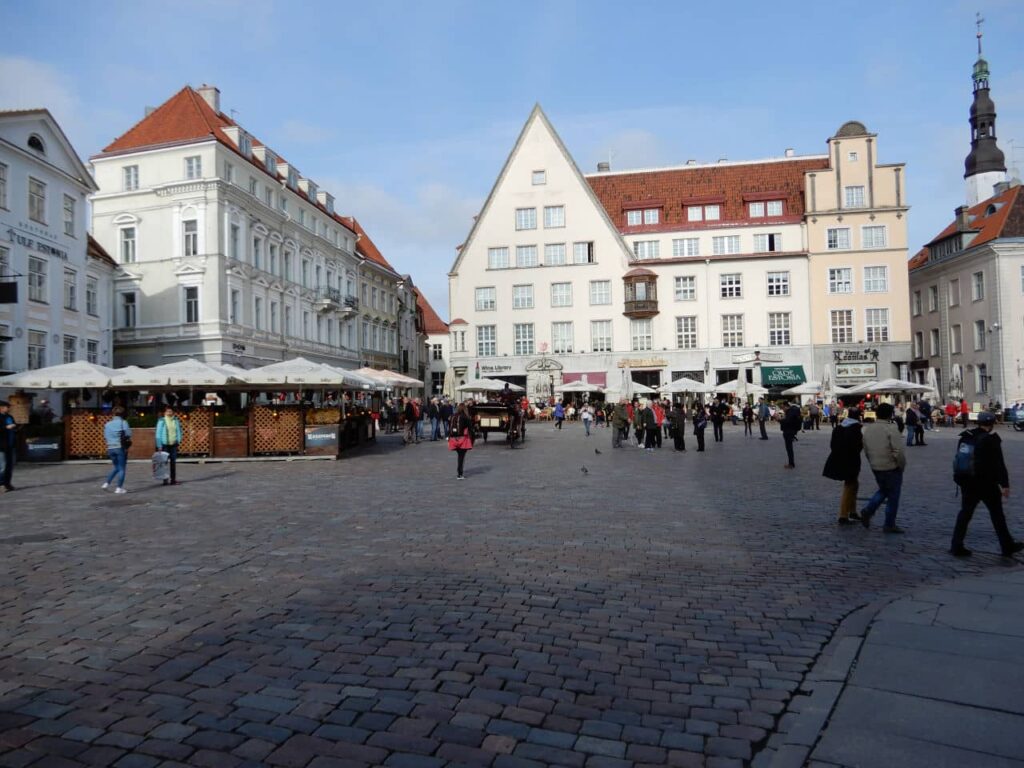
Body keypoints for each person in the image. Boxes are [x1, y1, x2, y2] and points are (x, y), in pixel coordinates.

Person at [950, 411, 1023, 557]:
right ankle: (1007, 545)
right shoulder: (991, 440)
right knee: (997, 515)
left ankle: (956, 545)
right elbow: (999, 464)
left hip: (968, 481)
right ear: (992, 424)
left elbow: (959, 458)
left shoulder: (966, 436)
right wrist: (1005, 484)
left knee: (965, 513)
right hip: (987, 484)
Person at [860, 402, 906, 533]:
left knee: (884, 490)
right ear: (890, 415)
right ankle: (889, 523)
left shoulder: (868, 429)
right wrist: (901, 465)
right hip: (891, 466)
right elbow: (898, 451)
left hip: (876, 466)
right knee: (893, 496)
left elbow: (866, 449)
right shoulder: (891, 428)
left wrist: (872, 462)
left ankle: (868, 510)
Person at [822, 408, 863, 525]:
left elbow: (832, 444)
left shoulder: (840, 427)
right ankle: (843, 515)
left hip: (838, 458)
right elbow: (857, 446)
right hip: (850, 460)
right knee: (850, 485)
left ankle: (852, 511)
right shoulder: (855, 428)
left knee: (853, 484)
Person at [102, 406, 132, 494]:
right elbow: (128, 434)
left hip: (110, 447)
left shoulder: (107, 424)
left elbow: (105, 436)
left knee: (117, 467)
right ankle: (119, 488)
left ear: (113, 414)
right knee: (122, 468)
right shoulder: (123, 422)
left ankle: (106, 483)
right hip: (119, 447)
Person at [155, 405, 183, 486]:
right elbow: (158, 434)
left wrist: (179, 440)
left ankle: (173, 480)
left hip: (174, 444)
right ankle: (165, 480)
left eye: (170, 411)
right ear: (165, 412)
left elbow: (179, 430)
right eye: (167, 411)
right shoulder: (162, 421)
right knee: (164, 463)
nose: (169, 413)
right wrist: (159, 445)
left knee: (173, 462)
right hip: (165, 445)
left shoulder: (176, 420)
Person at [449, 401, 474, 480]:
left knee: (459, 456)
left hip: (454, 439)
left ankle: (459, 472)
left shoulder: (453, 416)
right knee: (461, 457)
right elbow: (470, 429)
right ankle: (460, 473)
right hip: (463, 439)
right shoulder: (465, 417)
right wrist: (472, 440)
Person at [0, 401, 16, 492]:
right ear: (1, 407)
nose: (8, 408)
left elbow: (14, 425)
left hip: (11, 444)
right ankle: (1, 484)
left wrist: (16, 427)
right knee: (3, 466)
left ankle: (7, 483)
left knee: (10, 465)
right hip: (1, 445)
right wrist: (6, 427)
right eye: (7, 407)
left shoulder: (9, 417)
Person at [780, 400, 801, 468]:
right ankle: (791, 463)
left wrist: (779, 419)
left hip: (788, 431)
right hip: (791, 431)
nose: (782, 409)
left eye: (783, 407)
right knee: (789, 448)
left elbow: (787, 422)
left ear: (786, 406)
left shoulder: (790, 412)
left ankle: (791, 464)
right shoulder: (792, 412)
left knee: (789, 448)